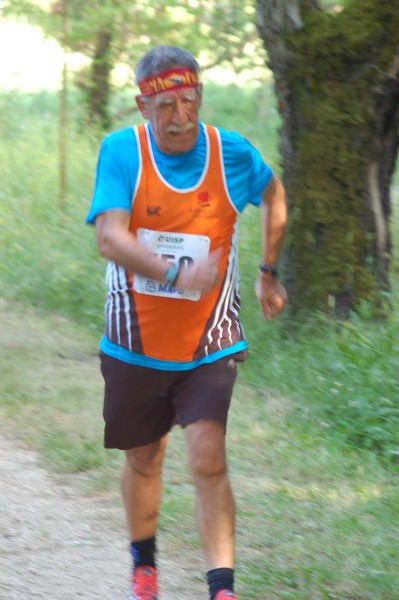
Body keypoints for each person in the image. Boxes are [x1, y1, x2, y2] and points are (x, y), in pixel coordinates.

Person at [87, 45, 287, 600]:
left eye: (191, 101)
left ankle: (221, 588)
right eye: (167, 105)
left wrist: (268, 271)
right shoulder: (122, 152)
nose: (181, 116)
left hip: (209, 340)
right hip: (134, 342)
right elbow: (109, 237)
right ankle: (144, 566)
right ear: (141, 106)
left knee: (208, 456)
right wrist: (176, 275)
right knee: (145, 460)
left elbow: (274, 197)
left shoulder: (232, 154)